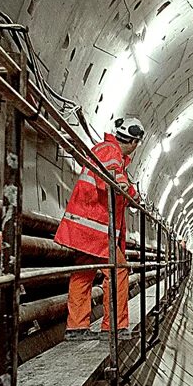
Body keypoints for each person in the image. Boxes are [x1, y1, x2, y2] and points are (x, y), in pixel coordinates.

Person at [54, 117, 145, 341]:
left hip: (87, 228)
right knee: (118, 270)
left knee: (83, 274)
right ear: (134, 142)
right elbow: (113, 179)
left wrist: (132, 192)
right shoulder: (110, 150)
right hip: (95, 229)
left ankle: (76, 327)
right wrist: (130, 190)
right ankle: (113, 327)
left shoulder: (106, 150)